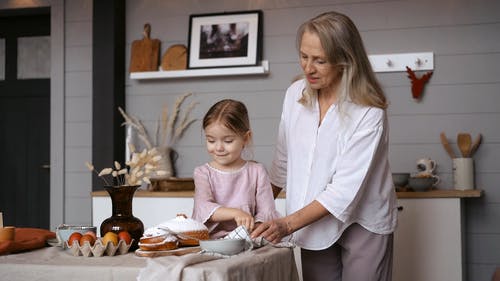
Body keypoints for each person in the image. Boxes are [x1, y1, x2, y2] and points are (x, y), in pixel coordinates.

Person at [250, 11, 398, 281]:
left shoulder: (368, 109)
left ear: (345, 60)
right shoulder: (295, 94)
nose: (308, 68)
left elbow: (343, 191)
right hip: (311, 220)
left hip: (363, 221)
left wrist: (286, 224)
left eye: (320, 60)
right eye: (304, 56)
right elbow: (283, 162)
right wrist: (254, 210)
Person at [192, 99, 281, 239]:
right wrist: (236, 213)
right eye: (211, 140)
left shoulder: (257, 171)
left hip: (249, 239)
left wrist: (255, 227)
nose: (219, 148)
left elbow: (267, 211)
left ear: (246, 138)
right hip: (213, 243)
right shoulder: (203, 173)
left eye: (228, 141)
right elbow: (203, 207)